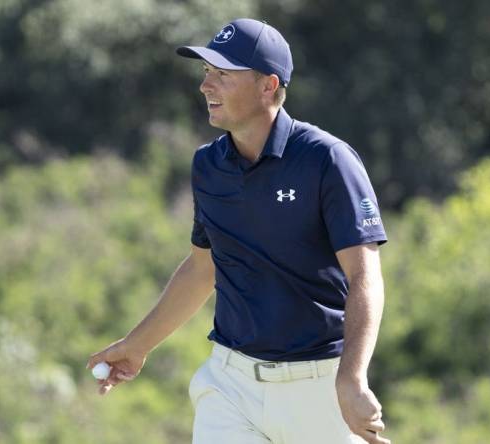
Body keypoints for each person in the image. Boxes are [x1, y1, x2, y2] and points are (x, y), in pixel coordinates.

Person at [87, 18, 390, 444]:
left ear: (268, 85)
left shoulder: (328, 160)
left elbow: (365, 277)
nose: (206, 86)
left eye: (223, 76)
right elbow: (201, 268)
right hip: (230, 386)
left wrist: (352, 379)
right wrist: (138, 345)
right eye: (206, 73)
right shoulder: (208, 166)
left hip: (319, 385)